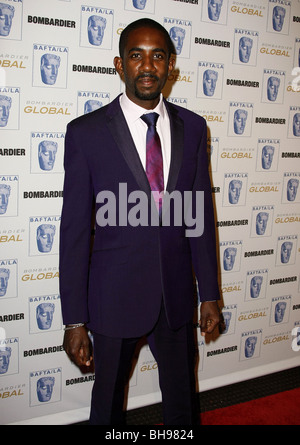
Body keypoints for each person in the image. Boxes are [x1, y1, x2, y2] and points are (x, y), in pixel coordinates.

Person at [59, 18, 221, 425]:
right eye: (136, 55)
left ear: (171, 67)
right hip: (113, 299)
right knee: (108, 406)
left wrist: (210, 294)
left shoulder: (195, 127)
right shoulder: (86, 133)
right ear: (119, 64)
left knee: (183, 402)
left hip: (177, 299)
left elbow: (199, 216)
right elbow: (75, 231)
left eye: (158, 56)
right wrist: (74, 319)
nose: (147, 66)